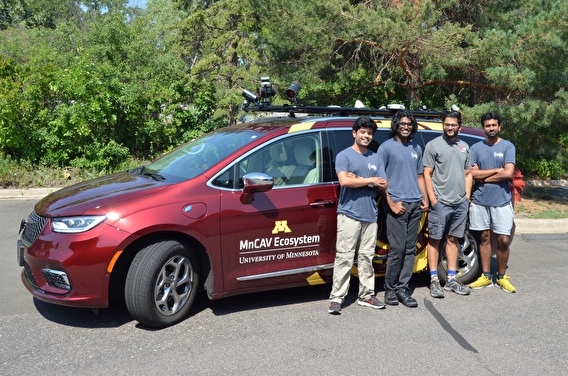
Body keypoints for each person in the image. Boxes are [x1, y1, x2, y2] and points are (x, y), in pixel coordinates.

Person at [328, 116, 388, 314]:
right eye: (362, 132)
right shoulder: (344, 156)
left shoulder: (375, 157)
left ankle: (366, 296)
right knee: (344, 257)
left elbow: (383, 184)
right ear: (354, 133)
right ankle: (337, 298)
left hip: (370, 215)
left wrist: (362, 179)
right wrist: (371, 180)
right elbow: (344, 181)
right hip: (349, 215)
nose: (366, 136)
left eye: (369, 133)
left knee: (366, 258)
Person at [377, 111, 429, 308]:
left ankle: (402, 288)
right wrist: (391, 204)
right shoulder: (386, 148)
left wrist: (424, 199)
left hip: (416, 204)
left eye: (409, 124)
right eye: (402, 123)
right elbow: (381, 181)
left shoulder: (416, 147)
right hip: (397, 205)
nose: (406, 126)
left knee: (409, 250)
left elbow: (419, 176)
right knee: (397, 249)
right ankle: (389, 289)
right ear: (396, 125)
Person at [423, 111, 472, 298]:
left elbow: (468, 173)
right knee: (435, 240)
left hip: (460, 203)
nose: (449, 127)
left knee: (453, 239)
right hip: (440, 202)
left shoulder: (465, 147)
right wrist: (433, 200)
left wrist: (466, 198)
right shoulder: (433, 145)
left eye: (453, 124)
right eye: (446, 124)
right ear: (443, 125)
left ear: (459, 126)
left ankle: (451, 279)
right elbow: (427, 173)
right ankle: (434, 280)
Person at [468, 112, 517, 293]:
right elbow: (472, 174)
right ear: (483, 128)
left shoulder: (507, 146)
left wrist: (484, 177)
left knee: (503, 239)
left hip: (502, 201)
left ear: (499, 127)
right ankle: (486, 276)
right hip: (480, 201)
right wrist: (497, 169)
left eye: (494, 125)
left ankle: (502, 276)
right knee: (484, 237)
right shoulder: (475, 148)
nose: (491, 128)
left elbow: (508, 173)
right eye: (488, 125)